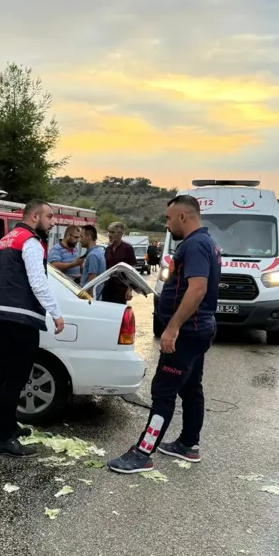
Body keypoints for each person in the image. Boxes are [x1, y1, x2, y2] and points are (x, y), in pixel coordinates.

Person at [108, 196, 220, 474]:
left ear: (183, 216)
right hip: (199, 329)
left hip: (187, 332)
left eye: (169, 218)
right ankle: (188, 444)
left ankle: (143, 453)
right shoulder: (207, 244)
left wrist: (172, 327)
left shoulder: (194, 245)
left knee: (163, 392)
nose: (167, 224)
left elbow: (197, 289)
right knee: (192, 388)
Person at [0, 200, 65, 458]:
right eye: (49, 216)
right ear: (34, 216)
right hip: (20, 321)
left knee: (8, 377)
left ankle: (9, 426)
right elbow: (38, 282)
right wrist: (56, 313)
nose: (53, 222)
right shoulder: (30, 242)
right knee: (15, 380)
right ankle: (3, 440)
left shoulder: (5, 240)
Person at [101, 221, 137, 303]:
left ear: (120, 234)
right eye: (109, 232)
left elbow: (132, 270)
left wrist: (130, 289)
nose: (109, 234)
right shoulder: (108, 249)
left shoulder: (128, 248)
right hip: (107, 287)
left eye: (112, 232)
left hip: (121, 289)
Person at [80, 225, 106, 297]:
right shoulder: (99, 252)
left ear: (89, 237)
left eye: (81, 236)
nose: (80, 240)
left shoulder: (92, 255)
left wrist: (88, 299)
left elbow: (91, 281)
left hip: (90, 297)